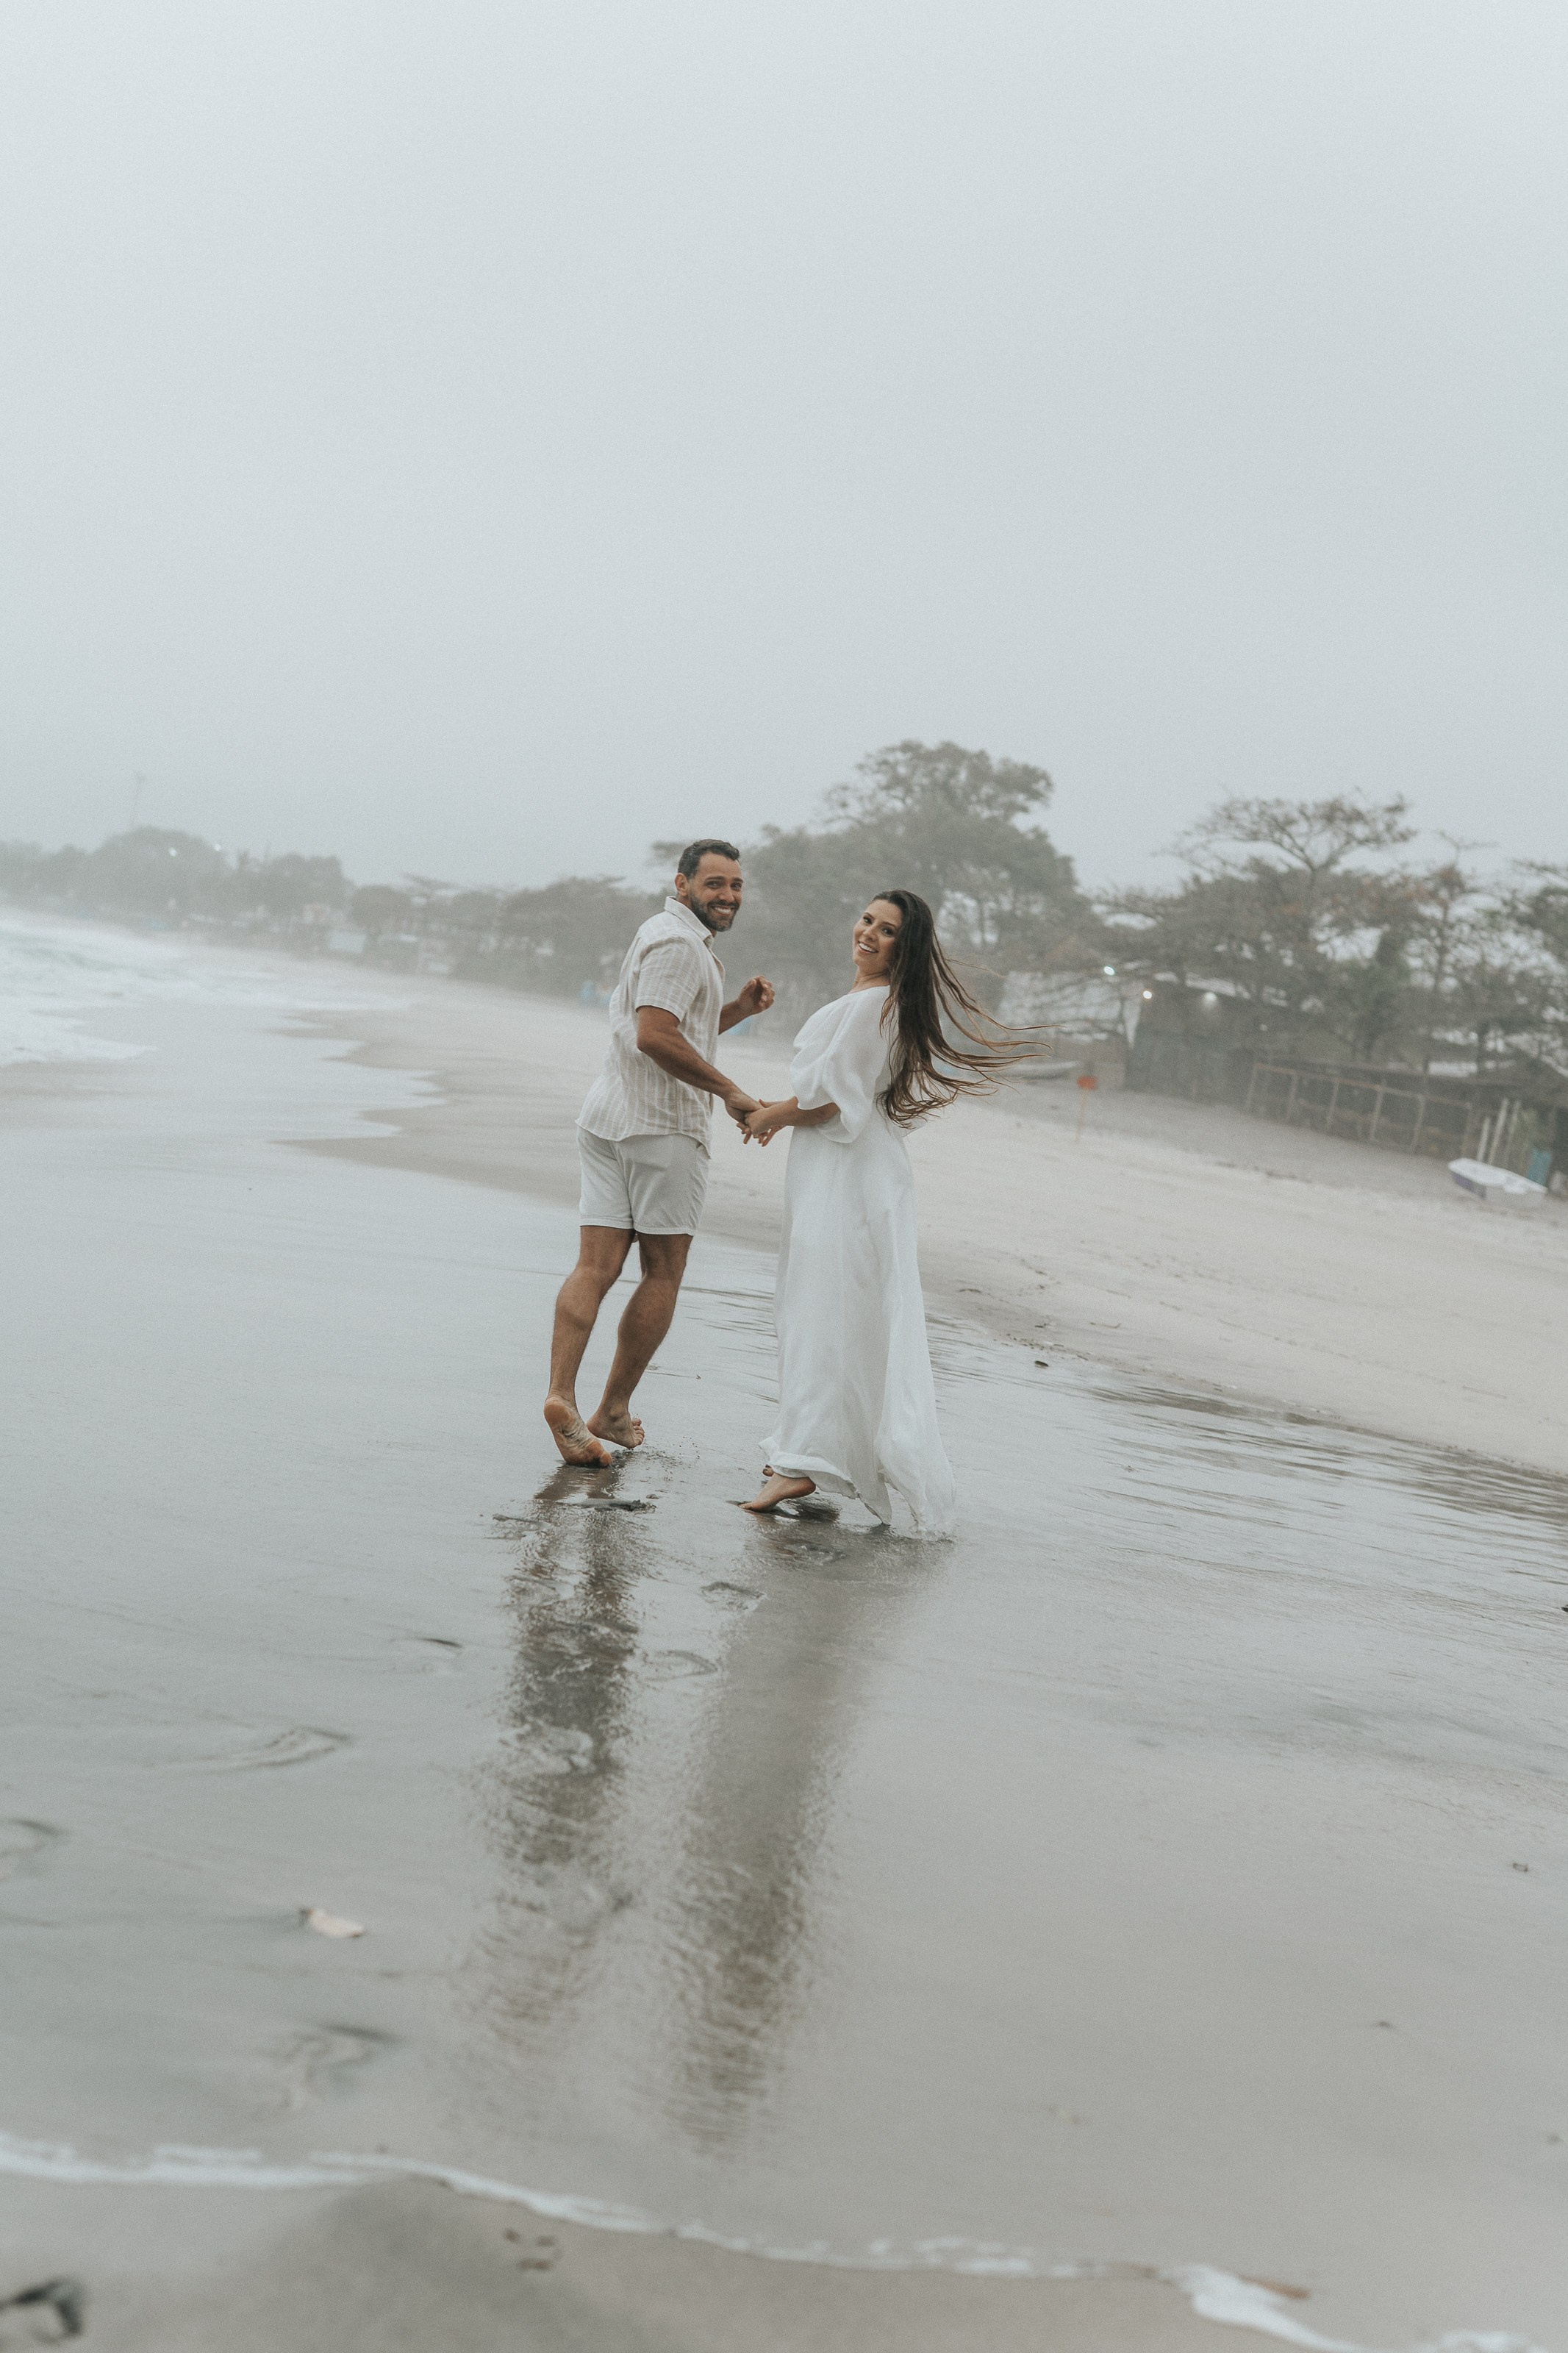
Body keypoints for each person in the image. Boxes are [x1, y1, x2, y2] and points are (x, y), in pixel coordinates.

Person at [738, 890, 1019, 1535]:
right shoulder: (877, 1004)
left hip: (850, 1173)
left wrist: (768, 1116)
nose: (868, 932)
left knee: (826, 1307)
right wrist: (775, 1113)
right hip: (847, 1168)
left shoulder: (873, 1005)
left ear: (904, 947)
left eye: (886, 930)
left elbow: (835, 1100)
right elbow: (839, 1090)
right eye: (866, 919)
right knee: (837, 1309)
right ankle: (817, 1448)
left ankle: (806, 1457)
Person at [543, 839, 774, 1467]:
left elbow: (674, 1026)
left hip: (607, 1117)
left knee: (594, 1267)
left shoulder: (664, 935)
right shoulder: (679, 945)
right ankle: (611, 1409)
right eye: (714, 884)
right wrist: (728, 1090)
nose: (727, 895)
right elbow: (654, 1036)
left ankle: (563, 1397)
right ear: (682, 884)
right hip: (662, 1129)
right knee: (662, 1273)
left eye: (735, 885)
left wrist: (736, 1012)